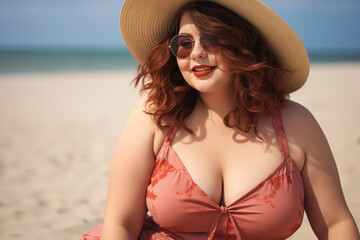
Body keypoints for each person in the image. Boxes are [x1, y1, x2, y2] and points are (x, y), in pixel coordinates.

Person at [80, 0, 359, 239]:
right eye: (184, 43)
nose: (197, 52)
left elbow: (336, 224)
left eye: (211, 39)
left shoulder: (296, 123)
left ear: (244, 44)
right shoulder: (156, 114)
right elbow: (121, 224)